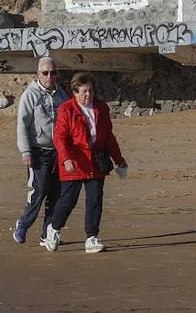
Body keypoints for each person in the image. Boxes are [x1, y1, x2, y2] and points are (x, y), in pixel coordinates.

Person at [42, 72, 127, 254]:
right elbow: (60, 138)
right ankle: (53, 229)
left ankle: (91, 237)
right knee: (68, 201)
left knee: (95, 200)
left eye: (91, 91)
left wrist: (119, 160)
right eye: (84, 91)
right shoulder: (66, 110)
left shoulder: (101, 108)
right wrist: (66, 159)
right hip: (74, 162)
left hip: (96, 162)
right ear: (75, 92)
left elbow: (109, 137)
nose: (88, 95)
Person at [12, 57, 69, 244]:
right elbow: (22, 124)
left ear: (57, 74)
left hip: (59, 151)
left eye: (53, 72)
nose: (49, 76)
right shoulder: (30, 94)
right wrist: (25, 151)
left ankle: (48, 233)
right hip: (38, 151)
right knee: (39, 190)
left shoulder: (62, 94)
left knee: (56, 193)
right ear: (38, 74)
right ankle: (23, 223)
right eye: (45, 73)